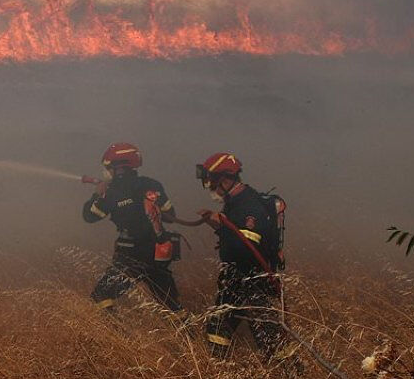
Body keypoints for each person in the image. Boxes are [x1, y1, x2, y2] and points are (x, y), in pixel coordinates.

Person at [195, 152, 289, 360]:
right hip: (235, 281)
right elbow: (236, 235)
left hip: (250, 281)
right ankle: (219, 374)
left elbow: (246, 247)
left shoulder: (248, 206)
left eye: (211, 183)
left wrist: (220, 223)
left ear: (225, 180)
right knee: (217, 327)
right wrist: (216, 222)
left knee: (270, 339)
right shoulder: (235, 201)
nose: (210, 188)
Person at [83, 143, 184, 312]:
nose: (107, 172)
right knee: (168, 302)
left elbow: (89, 216)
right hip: (159, 254)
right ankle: (188, 334)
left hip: (131, 256)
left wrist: (97, 194)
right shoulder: (153, 184)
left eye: (108, 167)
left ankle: (118, 335)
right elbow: (170, 215)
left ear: (119, 168)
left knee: (101, 295)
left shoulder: (112, 192)